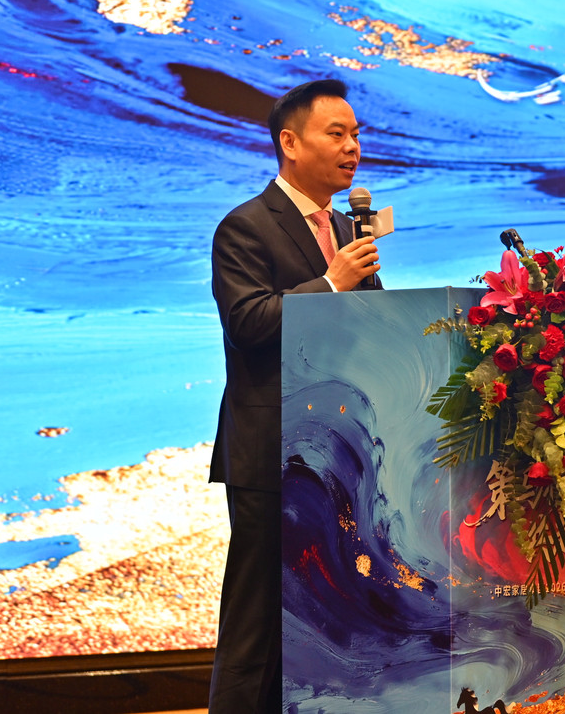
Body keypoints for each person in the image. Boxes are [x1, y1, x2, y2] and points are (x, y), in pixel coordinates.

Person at [207, 78, 382, 714]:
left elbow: (366, 328)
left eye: (356, 134)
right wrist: (331, 284)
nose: (352, 147)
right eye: (336, 134)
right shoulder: (245, 227)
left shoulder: (346, 226)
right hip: (271, 455)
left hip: (338, 453)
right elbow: (248, 323)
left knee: (328, 617)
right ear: (290, 142)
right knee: (258, 621)